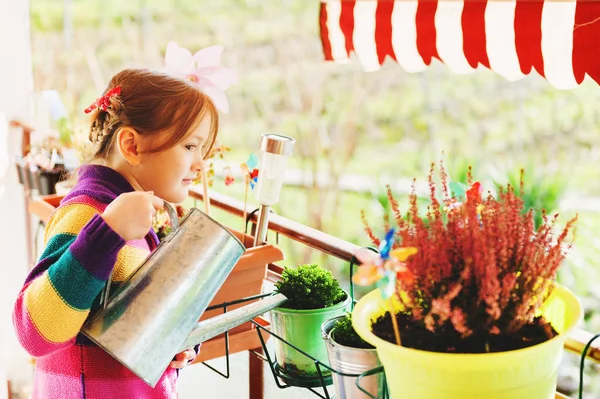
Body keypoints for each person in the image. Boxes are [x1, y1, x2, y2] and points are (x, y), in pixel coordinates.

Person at [13, 68, 219, 398]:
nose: (201, 164)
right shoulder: (86, 215)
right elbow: (33, 332)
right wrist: (107, 233)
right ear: (131, 145)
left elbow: (126, 314)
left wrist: (173, 343)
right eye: (190, 146)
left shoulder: (133, 211)